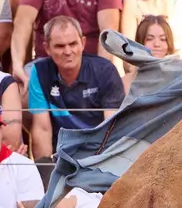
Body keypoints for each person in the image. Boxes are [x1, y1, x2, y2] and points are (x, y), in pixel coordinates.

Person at [27, 16, 125, 159]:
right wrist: (46, 173)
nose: (67, 51)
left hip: (98, 156)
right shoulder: (39, 72)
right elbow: (42, 130)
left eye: (73, 44)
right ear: (47, 48)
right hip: (61, 157)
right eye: (60, 46)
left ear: (83, 43)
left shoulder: (105, 71)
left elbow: (111, 130)